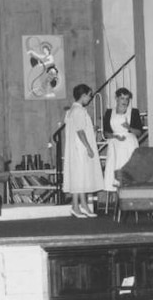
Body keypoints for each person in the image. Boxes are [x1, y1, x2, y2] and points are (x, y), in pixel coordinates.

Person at [63, 83, 104, 218]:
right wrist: (89, 147)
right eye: (89, 95)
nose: (90, 98)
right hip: (80, 148)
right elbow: (80, 132)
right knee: (80, 176)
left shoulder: (71, 111)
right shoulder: (79, 110)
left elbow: (79, 129)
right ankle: (77, 206)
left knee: (79, 177)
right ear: (83, 95)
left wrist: (92, 130)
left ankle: (81, 205)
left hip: (76, 148)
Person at [102, 87, 144, 192]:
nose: (125, 101)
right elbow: (106, 133)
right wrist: (115, 136)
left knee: (130, 173)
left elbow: (139, 132)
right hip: (115, 145)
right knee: (115, 172)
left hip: (129, 145)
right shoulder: (109, 112)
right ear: (116, 98)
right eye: (122, 98)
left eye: (127, 99)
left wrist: (128, 127)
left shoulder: (134, 112)